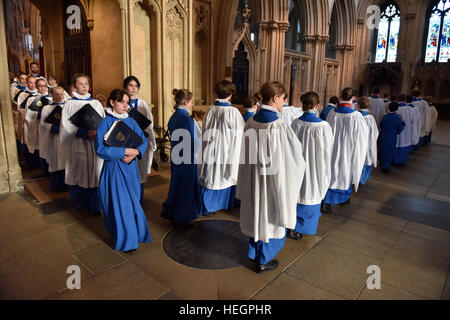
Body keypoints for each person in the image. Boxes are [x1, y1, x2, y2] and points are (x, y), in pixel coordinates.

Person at [238, 81, 306, 273]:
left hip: (254, 179)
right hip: (271, 182)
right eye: (284, 98)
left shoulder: (251, 121)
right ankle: (264, 259)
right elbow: (293, 158)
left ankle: (255, 253)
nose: (284, 102)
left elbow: (246, 156)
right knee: (270, 216)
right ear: (275, 98)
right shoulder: (278, 125)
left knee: (255, 213)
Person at [95, 89, 151, 253]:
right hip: (114, 169)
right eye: (121, 102)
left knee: (133, 202)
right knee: (121, 205)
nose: (125, 105)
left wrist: (137, 152)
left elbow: (143, 140)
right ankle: (128, 241)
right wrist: (125, 151)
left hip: (130, 168)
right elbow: (100, 149)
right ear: (112, 102)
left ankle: (135, 233)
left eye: (127, 102)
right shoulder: (104, 123)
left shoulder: (132, 121)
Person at [60, 74, 105, 214]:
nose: (84, 86)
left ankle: (96, 206)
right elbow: (65, 126)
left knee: (96, 172)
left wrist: (97, 132)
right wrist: (83, 133)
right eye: (80, 84)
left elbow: (103, 122)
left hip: (95, 144)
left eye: (86, 83)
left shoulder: (96, 103)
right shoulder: (69, 104)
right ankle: (82, 204)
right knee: (81, 172)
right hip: (78, 143)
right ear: (74, 86)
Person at [291, 92, 333, 238]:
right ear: (317, 106)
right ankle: (302, 228)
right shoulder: (323, 126)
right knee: (311, 191)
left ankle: (292, 225)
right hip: (316, 165)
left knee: (297, 192)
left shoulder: (295, 123)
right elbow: (328, 150)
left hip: (297, 165)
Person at [200, 80, 245, 215]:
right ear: (230, 95)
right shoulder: (233, 112)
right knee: (223, 175)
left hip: (210, 148)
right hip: (226, 150)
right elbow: (240, 133)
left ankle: (208, 206)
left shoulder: (210, 110)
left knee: (211, 175)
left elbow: (204, 129)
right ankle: (225, 204)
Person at [322, 88, 369, 213]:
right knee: (343, 173)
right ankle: (338, 199)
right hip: (347, 150)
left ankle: (328, 200)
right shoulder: (356, 116)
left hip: (332, 149)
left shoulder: (332, 113)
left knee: (331, 172)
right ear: (353, 98)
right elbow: (361, 139)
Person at [161, 89, 203, 227]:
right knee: (186, 185)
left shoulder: (174, 117)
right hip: (186, 157)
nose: (191, 105)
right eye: (191, 102)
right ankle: (182, 217)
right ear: (185, 102)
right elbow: (191, 141)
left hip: (176, 155)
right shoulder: (186, 118)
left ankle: (172, 211)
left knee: (177, 183)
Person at [123, 76, 157, 202]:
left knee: (140, 172)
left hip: (139, 142)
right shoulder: (121, 102)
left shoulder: (142, 104)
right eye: (130, 85)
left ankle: (139, 199)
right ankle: (128, 199)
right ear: (125, 87)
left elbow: (149, 124)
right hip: (124, 142)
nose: (133, 88)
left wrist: (149, 141)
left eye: (136, 86)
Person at [39, 86, 67, 191]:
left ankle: (66, 185)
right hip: (54, 139)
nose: (59, 96)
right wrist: (54, 128)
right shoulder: (47, 108)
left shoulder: (67, 106)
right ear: (52, 95)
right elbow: (43, 124)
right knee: (55, 161)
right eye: (57, 94)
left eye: (61, 94)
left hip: (65, 139)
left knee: (65, 160)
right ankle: (56, 185)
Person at [24, 77, 52, 175]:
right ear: (36, 87)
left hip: (49, 127)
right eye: (40, 86)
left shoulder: (51, 98)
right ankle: (42, 169)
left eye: (44, 86)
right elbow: (28, 115)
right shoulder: (31, 99)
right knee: (41, 147)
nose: (43, 88)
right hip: (37, 126)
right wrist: (39, 115)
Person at [357, 96, 379, 184]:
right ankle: (362, 179)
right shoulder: (370, 118)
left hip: (357, 144)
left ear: (358, 105)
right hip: (367, 144)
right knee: (366, 159)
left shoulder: (354, 116)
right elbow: (375, 133)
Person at [379, 102, 405, 173]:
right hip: (392, 136)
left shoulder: (385, 116)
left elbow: (381, 125)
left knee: (383, 149)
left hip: (384, 135)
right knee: (390, 151)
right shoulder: (397, 118)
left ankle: (382, 163)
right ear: (397, 109)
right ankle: (386, 166)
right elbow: (400, 128)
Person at [395, 94, 418, 165]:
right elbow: (414, 122)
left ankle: (395, 160)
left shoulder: (394, 107)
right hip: (406, 131)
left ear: (397, 99)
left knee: (396, 143)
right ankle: (402, 160)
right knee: (404, 143)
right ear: (405, 100)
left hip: (396, 131)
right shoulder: (411, 110)